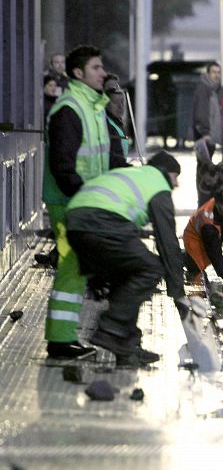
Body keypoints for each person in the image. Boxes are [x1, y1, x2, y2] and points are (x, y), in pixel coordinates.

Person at [65, 151, 190, 368]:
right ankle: (111, 328)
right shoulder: (158, 185)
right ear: (165, 172)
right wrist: (178, 292)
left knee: (128, 277)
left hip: (76, 222)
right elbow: (167, 242)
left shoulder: (133, 176)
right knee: (150, 269)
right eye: (175, 176)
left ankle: (127, 347)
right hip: (102, 220)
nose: (177, 183)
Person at [42, 44, 129, 359]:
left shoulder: (91, 107)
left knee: (75, 268)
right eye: (96, 67)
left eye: (101, 67)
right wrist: (84, 200)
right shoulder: (70, 109)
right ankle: (60, 341)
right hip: (69, 203)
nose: (102, 73)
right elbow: (63, 166)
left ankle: (63, 338)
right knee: (72, 268)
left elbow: (103, 160)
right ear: (78, 73)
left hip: (81, 202)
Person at [183, 186, 223, 293]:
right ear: (217, 204)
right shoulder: (207, 219)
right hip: (195, 237)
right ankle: (182, 257)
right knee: (196, 269)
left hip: (221, 226)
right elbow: (215, 252)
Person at [103, 74, 132, 161]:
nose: (120, 106)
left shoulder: (118, 123)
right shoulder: (105, 123)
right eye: (115, 102)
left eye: (122, 102)